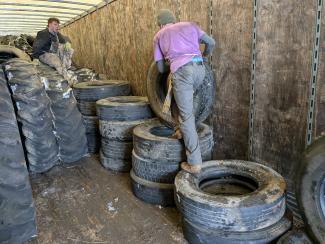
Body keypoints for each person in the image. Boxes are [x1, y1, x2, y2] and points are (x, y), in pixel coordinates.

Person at [153, 9, 216, 174]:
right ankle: (181, 130)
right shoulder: (190, 25)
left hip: (182, 73)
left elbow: (159, 69)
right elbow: (211, 42)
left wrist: (172, 61)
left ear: (160, 23)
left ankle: (194, 163)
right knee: (180, 101)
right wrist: (204, 56)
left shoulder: (159, 35)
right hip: (200, 70)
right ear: (173, 20)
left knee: (186, 116)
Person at [32, 17, 74, 84]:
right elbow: (37, 46)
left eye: (58, 25)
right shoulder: (43, 33)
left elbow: (64, 39)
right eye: (55, 24)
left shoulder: (56, 34)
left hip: (54, 53)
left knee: (69, 50)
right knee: (57, 62)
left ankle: (66, 68)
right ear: (50, 24)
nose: (57, 26)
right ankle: (68, 81)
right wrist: (35, 58)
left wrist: (67, 42)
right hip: (43, 54)